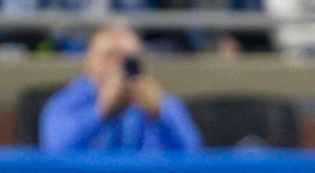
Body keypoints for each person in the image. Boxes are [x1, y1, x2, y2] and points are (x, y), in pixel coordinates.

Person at [39, 26, 202, 153]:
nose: (118, 66)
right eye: (109, 55)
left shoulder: (160, 102)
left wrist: (160, 114)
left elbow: (193, 153)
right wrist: (100, 112)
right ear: (89, 63)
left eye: (127, 58)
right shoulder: (67, 102)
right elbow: (54, 151)